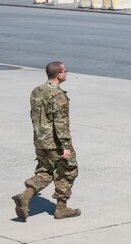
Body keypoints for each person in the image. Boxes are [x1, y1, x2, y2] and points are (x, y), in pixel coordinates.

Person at [12, 61, 81, 220]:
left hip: (39, 140)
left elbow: (34, 115)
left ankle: (26, 195)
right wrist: (66, 146)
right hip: (54, 143)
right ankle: (61, 208)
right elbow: (60, 123)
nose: (66, 73)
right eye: (65, 71)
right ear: (59, 74)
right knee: (68, 170)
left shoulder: (37, 91)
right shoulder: (58, 95)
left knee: (46, 170)